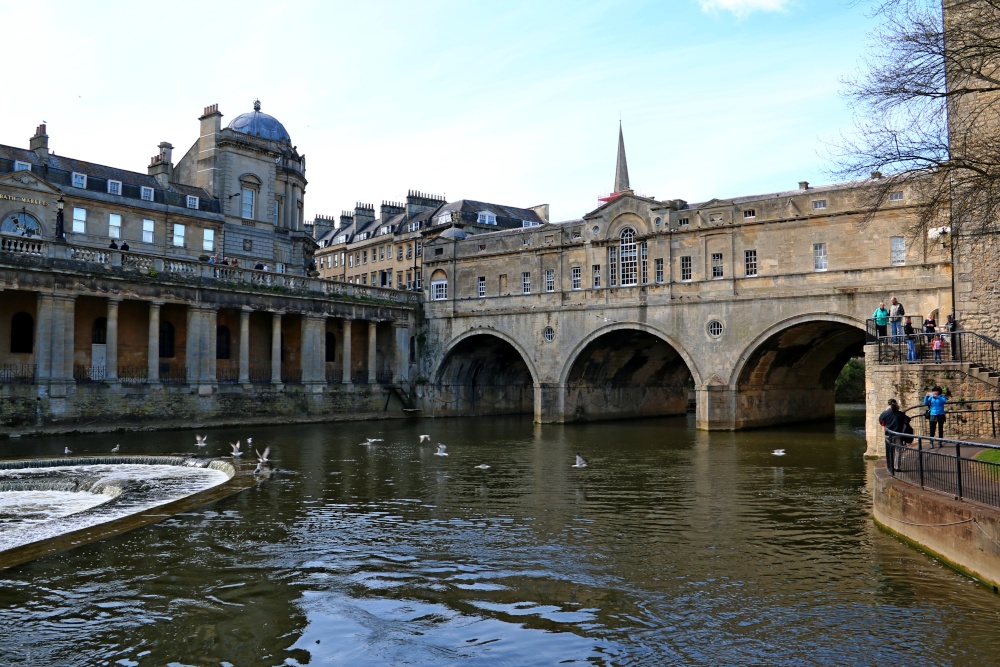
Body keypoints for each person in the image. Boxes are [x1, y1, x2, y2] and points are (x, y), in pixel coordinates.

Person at [879, 398, 912, 469]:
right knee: (898, 451)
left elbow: (882, 422)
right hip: (897, 435)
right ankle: (897, 467)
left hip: (888, 435)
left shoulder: (885, 413)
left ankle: (890, 466)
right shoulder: (900, 414)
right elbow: (907, 420)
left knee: (890, 451)